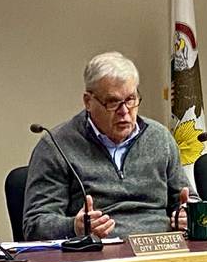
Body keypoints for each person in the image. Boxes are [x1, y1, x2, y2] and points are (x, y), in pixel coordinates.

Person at [23, 51, 194, 240]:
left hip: (161, 249)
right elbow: (35, 225)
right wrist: (74, 227)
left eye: (130, 99)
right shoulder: (56, 146)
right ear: (88, 101)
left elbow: (189, 201)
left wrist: (188, 214)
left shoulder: (160, 138)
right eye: (113, 102)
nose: (125, 112)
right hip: (99, 255)